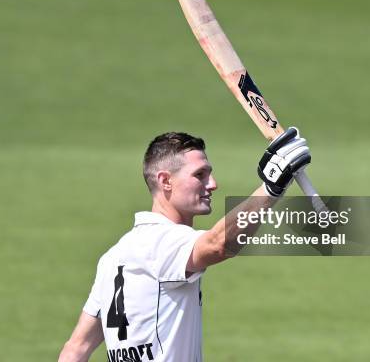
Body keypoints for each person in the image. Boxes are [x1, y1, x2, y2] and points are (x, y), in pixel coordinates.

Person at [58, 128, 311, 362]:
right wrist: (271, 188)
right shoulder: (162, 242)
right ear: (165, 181)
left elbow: (76, 349)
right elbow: (217, 245)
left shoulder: (113, 258)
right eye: (199, 175)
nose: (212, 184)